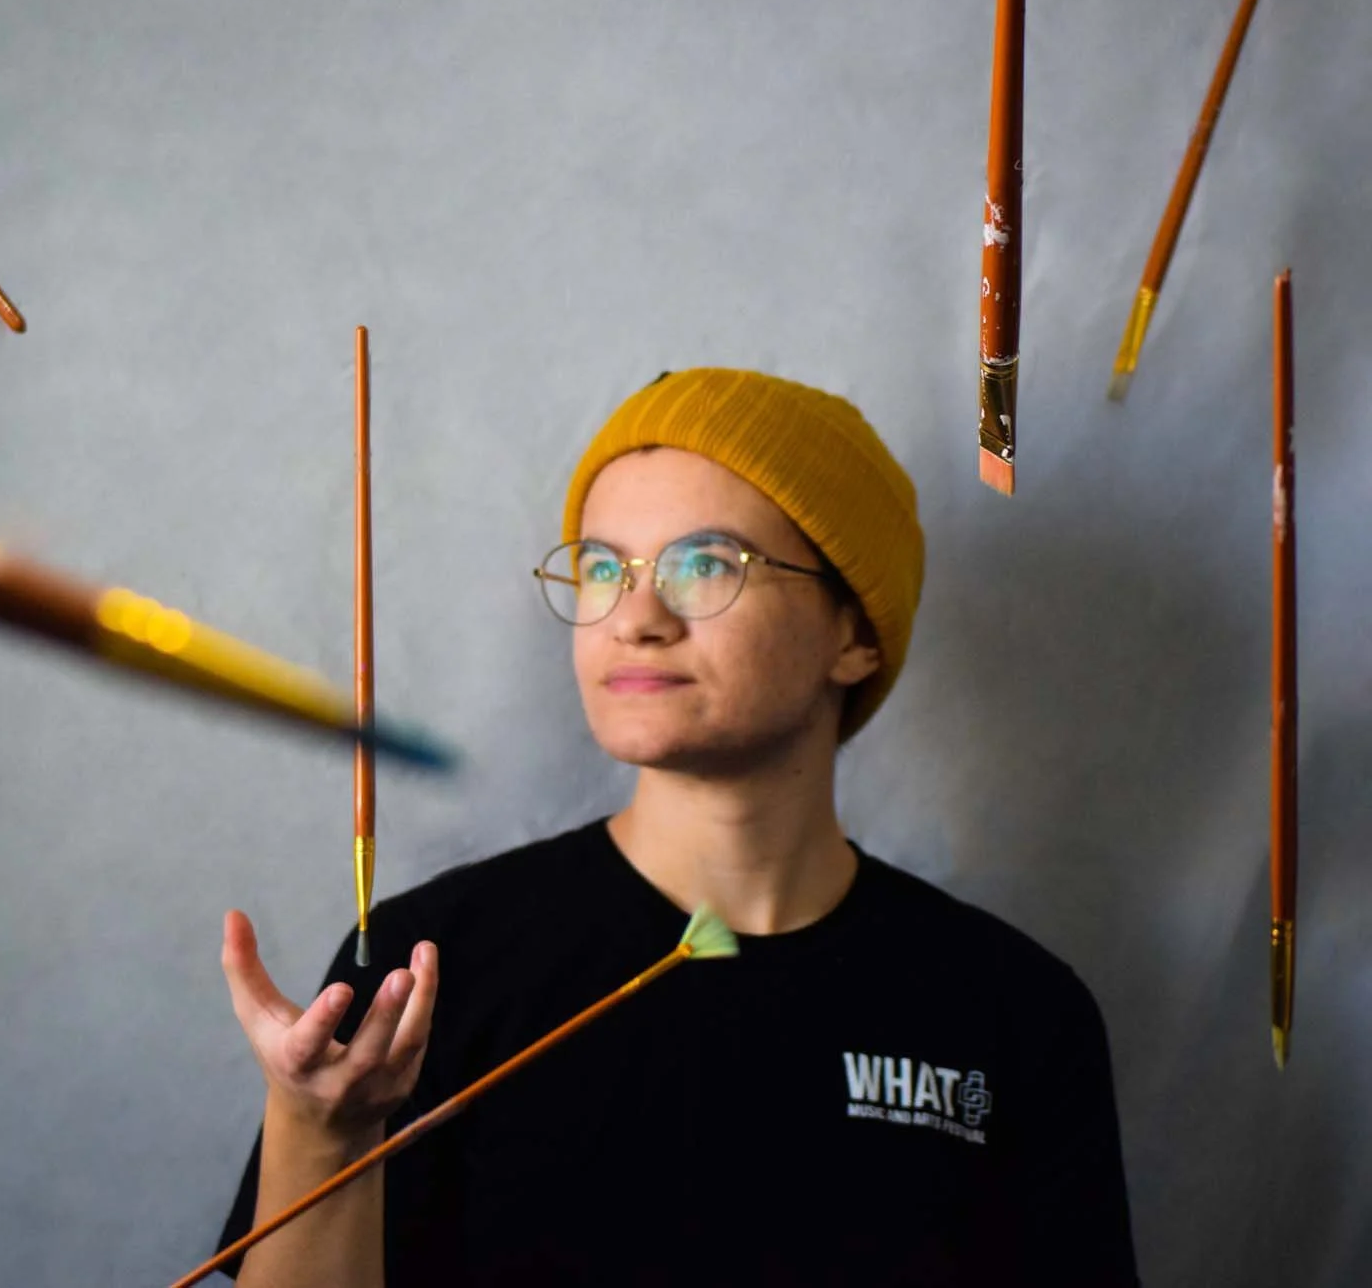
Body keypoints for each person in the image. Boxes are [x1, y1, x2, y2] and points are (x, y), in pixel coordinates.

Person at [215, 368, 1138, 1286]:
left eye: (707, 565)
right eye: (603, 568)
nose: (635, 618)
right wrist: (317, 1135)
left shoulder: (1014, 1012)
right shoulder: (422, 971)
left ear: (853, 633)